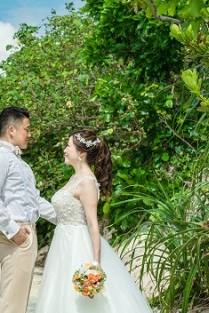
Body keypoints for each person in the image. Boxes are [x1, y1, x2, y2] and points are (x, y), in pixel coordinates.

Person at [34, 129, 153, 312]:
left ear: (81, 153)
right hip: (62, 244)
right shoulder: (75, 178)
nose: (65, 150)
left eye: (68, 146)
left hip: (77, 245)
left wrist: (95, 264)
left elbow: (93, 224)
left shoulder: (87, 183)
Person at [0, 107, 57, 313]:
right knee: (12, 305)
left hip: (25, 234)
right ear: (11, 130)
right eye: (27, 129)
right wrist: (13, 231)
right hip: (16, 235)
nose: (30, 134)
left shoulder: (20, 163)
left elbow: (35, 201)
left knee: (18, 303)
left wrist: (65, 218)